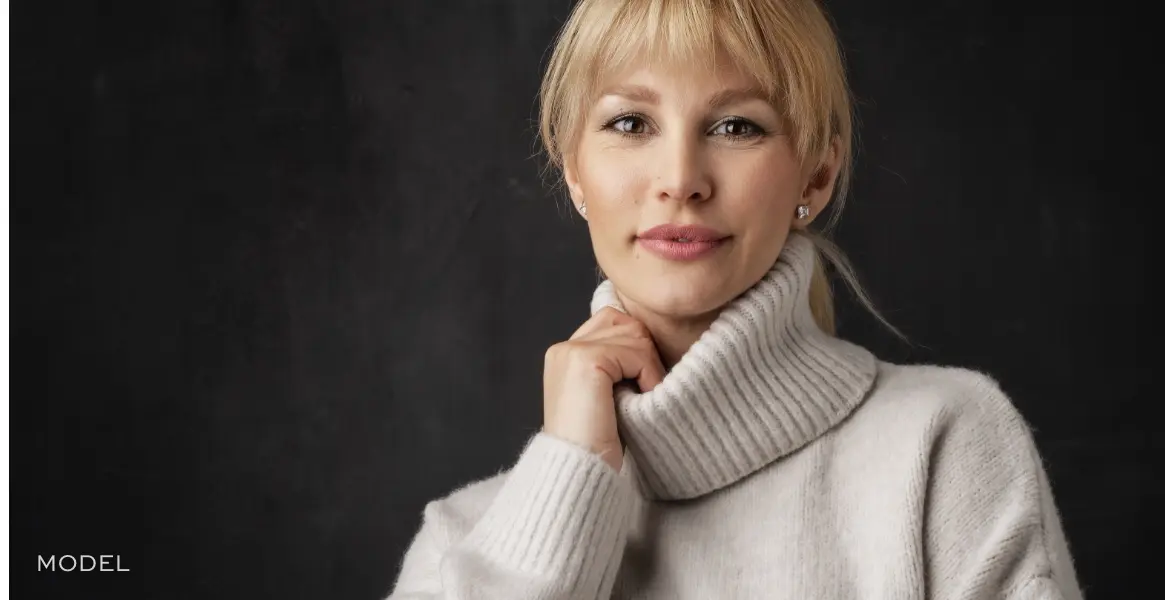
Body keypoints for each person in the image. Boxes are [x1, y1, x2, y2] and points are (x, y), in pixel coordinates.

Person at [387, 0, 1083, 597]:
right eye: (630, 123)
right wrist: (569, 475)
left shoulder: (944, 445)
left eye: (735, 127)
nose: (680, 179)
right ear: (573, 170)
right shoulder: (464, 543)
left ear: (814, 177)